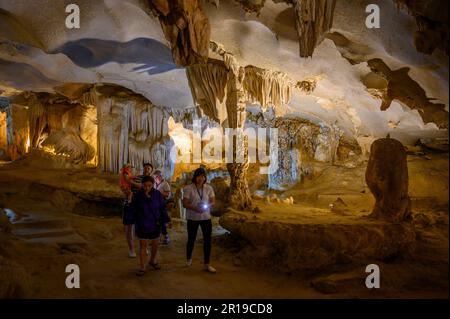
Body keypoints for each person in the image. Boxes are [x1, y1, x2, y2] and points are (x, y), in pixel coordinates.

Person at [133, 175, 171, 276]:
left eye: (149, 186)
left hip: (155, 223)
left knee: (155, 243)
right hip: (142, 223)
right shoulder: (138, 195)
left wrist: (166, 220)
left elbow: (162, 208)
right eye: (145, 186)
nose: (147, 188)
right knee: (143, 245)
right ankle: (142, 266)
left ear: (153, 185)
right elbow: (135, 209)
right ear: (142, 185)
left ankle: (153, 260)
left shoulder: (157, 194)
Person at [182, 167, 216, 273]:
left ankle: (207, 263)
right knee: (191, 239)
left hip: (206, 217)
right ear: (195, 177)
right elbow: (185, 203)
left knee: (207, 240)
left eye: (203, 176)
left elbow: (213, 201)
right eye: (198, 176)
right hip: (193, 217)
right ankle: (189, 259)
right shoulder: (188, 188)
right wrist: (195, 208)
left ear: (205, 178)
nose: (200, 178)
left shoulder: (208, 188)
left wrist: (206, 206)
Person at [119, 164, 141, 258]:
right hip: (129, 205)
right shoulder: (125, 173)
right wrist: (138, 185)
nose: (131, 169)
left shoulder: (131, 175)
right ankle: (131, 249)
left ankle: (143, 247)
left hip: (137, 206)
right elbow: (127, 180)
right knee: (129, 228)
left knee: (138, 227)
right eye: (130, 167)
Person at [153, 170, 173, 245]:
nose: (156, 178)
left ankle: (165, 237)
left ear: (160, 176)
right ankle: (160, 238)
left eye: (156, 177)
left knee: (161, 221)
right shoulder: (156, 184)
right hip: (156, 205)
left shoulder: (165, 184)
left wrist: (158, 193)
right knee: (158, 222)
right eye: (155, 177)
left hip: (162, 204)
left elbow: (167, 195)